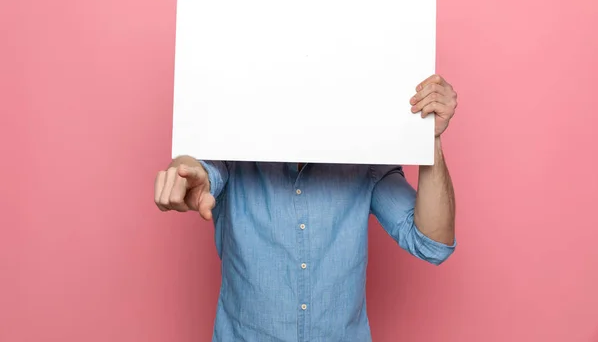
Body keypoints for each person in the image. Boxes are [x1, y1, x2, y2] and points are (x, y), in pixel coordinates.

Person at [154, 74, 458, 342]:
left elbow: (431, 242)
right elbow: (201, 169)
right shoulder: (232, 148)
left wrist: (428, 137)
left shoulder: (368, 161)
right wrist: (185, 171)